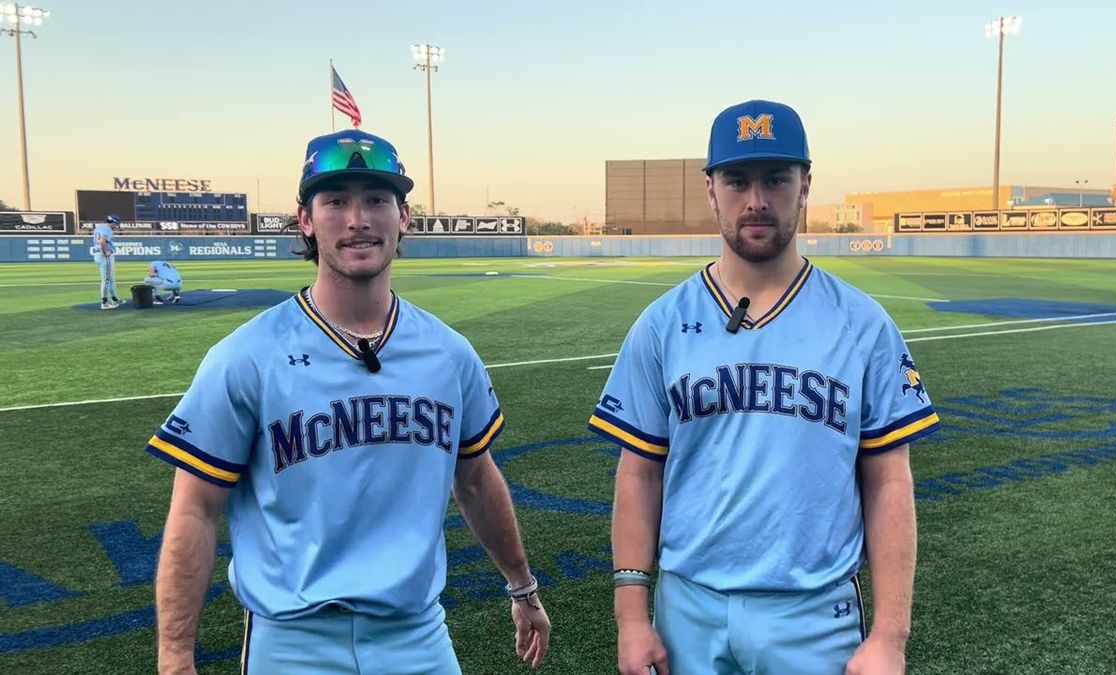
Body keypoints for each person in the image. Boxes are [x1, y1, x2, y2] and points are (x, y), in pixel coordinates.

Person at [147, 128, 550, 674]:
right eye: (336, 201)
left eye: (377, 200)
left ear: (404, 217)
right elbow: (195, 509)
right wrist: (175, 657)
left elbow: (477, 479)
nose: (358, 219)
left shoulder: (449, 353)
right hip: (293, 644)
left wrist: (522, 586)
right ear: (306, 221)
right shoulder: (246, 356)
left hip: (418, 635)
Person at [589, 100, 940, 675]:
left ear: (805, 187)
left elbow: (888, 480)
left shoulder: (863, 324)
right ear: (711, 190)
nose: (756, 200)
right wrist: (631, 616)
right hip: (688, 609)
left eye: (776, 179)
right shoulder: (662, 324)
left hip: (814, 614)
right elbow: (639, 473)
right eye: (737, 180)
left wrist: (890, 636)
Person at [93, 214, 120, 309]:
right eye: (116, 224)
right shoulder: (108, 229)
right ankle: (104, 302)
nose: (116, 226)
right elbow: (102, 241)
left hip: (98, 254)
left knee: (110, 279)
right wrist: (105, 252)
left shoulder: (99, 227)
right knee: (107, 280)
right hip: (103, 256)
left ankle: (114, 299)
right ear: (113, 222)